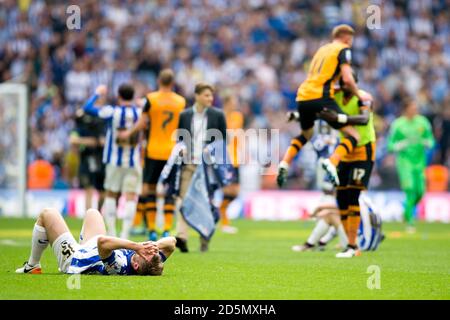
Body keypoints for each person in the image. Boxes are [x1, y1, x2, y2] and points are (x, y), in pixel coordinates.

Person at [277, 24, 370, 188]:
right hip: (321, 96)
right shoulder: (343, 49)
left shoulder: (322, 49)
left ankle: (285, 162)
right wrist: (358, 93)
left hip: (303, 95)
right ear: (346, 37)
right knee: (354, 136)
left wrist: (297, 115)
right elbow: (348, 78)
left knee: (306, 134)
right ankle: (332, 163)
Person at [118, 69, 186, 241]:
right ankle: (167, 229)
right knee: (170, 190)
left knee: (149, 189)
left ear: (158, 81)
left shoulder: (151, 99)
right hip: (172, 152)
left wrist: (128, 133)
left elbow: (143, 122)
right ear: (172, 83)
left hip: (153, 150)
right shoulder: (181, 102)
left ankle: (152, 229)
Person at [15, 207, 176, 275]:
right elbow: (172, 243)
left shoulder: (119, 267)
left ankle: (32, 265)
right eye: (153, 251)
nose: (149, 250)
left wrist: (136, 246)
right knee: (93, 213)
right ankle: (84, 248)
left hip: (75, 260)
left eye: (147, 253)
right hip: (93, 250)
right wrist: (156, 245)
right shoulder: (150, 260)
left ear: (136, 265)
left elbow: (103, 243)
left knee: (47, 214)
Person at [318, 73, 376, 258]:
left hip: (363, 150)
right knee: (341, 198)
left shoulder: (364, 97)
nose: (341, 85)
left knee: (353, 195)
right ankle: (351, 244)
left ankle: (353, 246)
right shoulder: (335, 96)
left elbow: (364, 119)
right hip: (346, 151)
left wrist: (339, 118)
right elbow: (321, 110)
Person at [83, 84, 142, 240]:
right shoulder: (139, 112)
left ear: (119, 96)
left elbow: (87, 108)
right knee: (130, 196)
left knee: (110, 193)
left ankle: (112, 232)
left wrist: (97, 93)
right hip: (133, 161)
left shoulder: (112, 111)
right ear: (133, 96)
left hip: (113, 160)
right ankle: (125, 233)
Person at [174, 83, 227, 253]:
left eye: (211, 96)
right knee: (182, 199)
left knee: (206, 202)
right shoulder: (185, 115)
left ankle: (205, 238)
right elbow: (180, 138)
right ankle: (182, 237)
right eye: (206, 95)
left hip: (208, 167)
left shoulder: (218, 115)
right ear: (196, 96)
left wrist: (211, 150)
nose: (210, 99)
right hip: (189, 163)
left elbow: (222, 142)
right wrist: (181, 148)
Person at [387, 99, 435, 232]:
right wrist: (398, 145)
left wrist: (428, 142)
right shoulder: (397, 124)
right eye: (413, 107)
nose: (415, 110)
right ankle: (410, 222)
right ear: (406, 109)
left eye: (416, 108)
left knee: (420, 192)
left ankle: (405, 212)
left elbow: (431, 140)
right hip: (404, 164)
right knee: (410, 190)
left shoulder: (423, 122)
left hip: (420, 163)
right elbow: (389, 145)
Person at [69, 108, 106, 211]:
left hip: (100, 161)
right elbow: (73, 140)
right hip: (86, 161)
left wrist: (82, 141)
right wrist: (93, 141)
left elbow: (103, 141)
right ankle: (89, 217)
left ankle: (98, 213)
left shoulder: (100, 125)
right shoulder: (79, 129)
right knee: (88, 190)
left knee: (103, 192)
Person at [220, 93, 244, 234]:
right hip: (225, 159)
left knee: (235, 193)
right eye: (233, 101)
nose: (235, 104)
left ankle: (218, 211)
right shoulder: (220, 117)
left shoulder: (237, 116)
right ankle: (224, 222)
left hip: (236, 159)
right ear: (227, 102)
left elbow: (236, 135)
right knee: (227, 191)